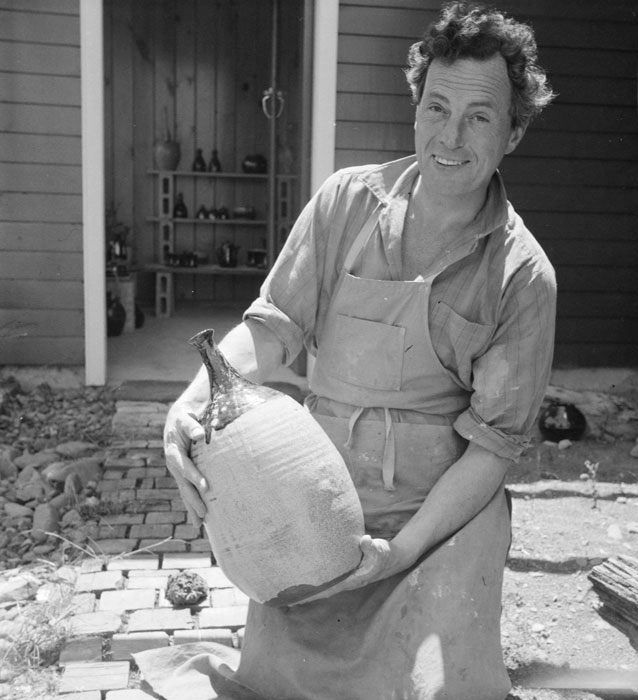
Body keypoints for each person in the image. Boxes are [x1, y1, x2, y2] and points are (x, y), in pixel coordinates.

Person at [142, 3, 557, 699]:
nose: (448, 136)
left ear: (512, 132)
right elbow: (272, 330)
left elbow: (490, 452)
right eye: (435, 108)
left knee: (436, 687)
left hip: (442, 517)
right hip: (318, 494)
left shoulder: (522, 276)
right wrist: (188, 404)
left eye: (479, 117)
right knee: (278, 686)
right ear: (415, 106)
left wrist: (400, 552)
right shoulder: (346, 203)